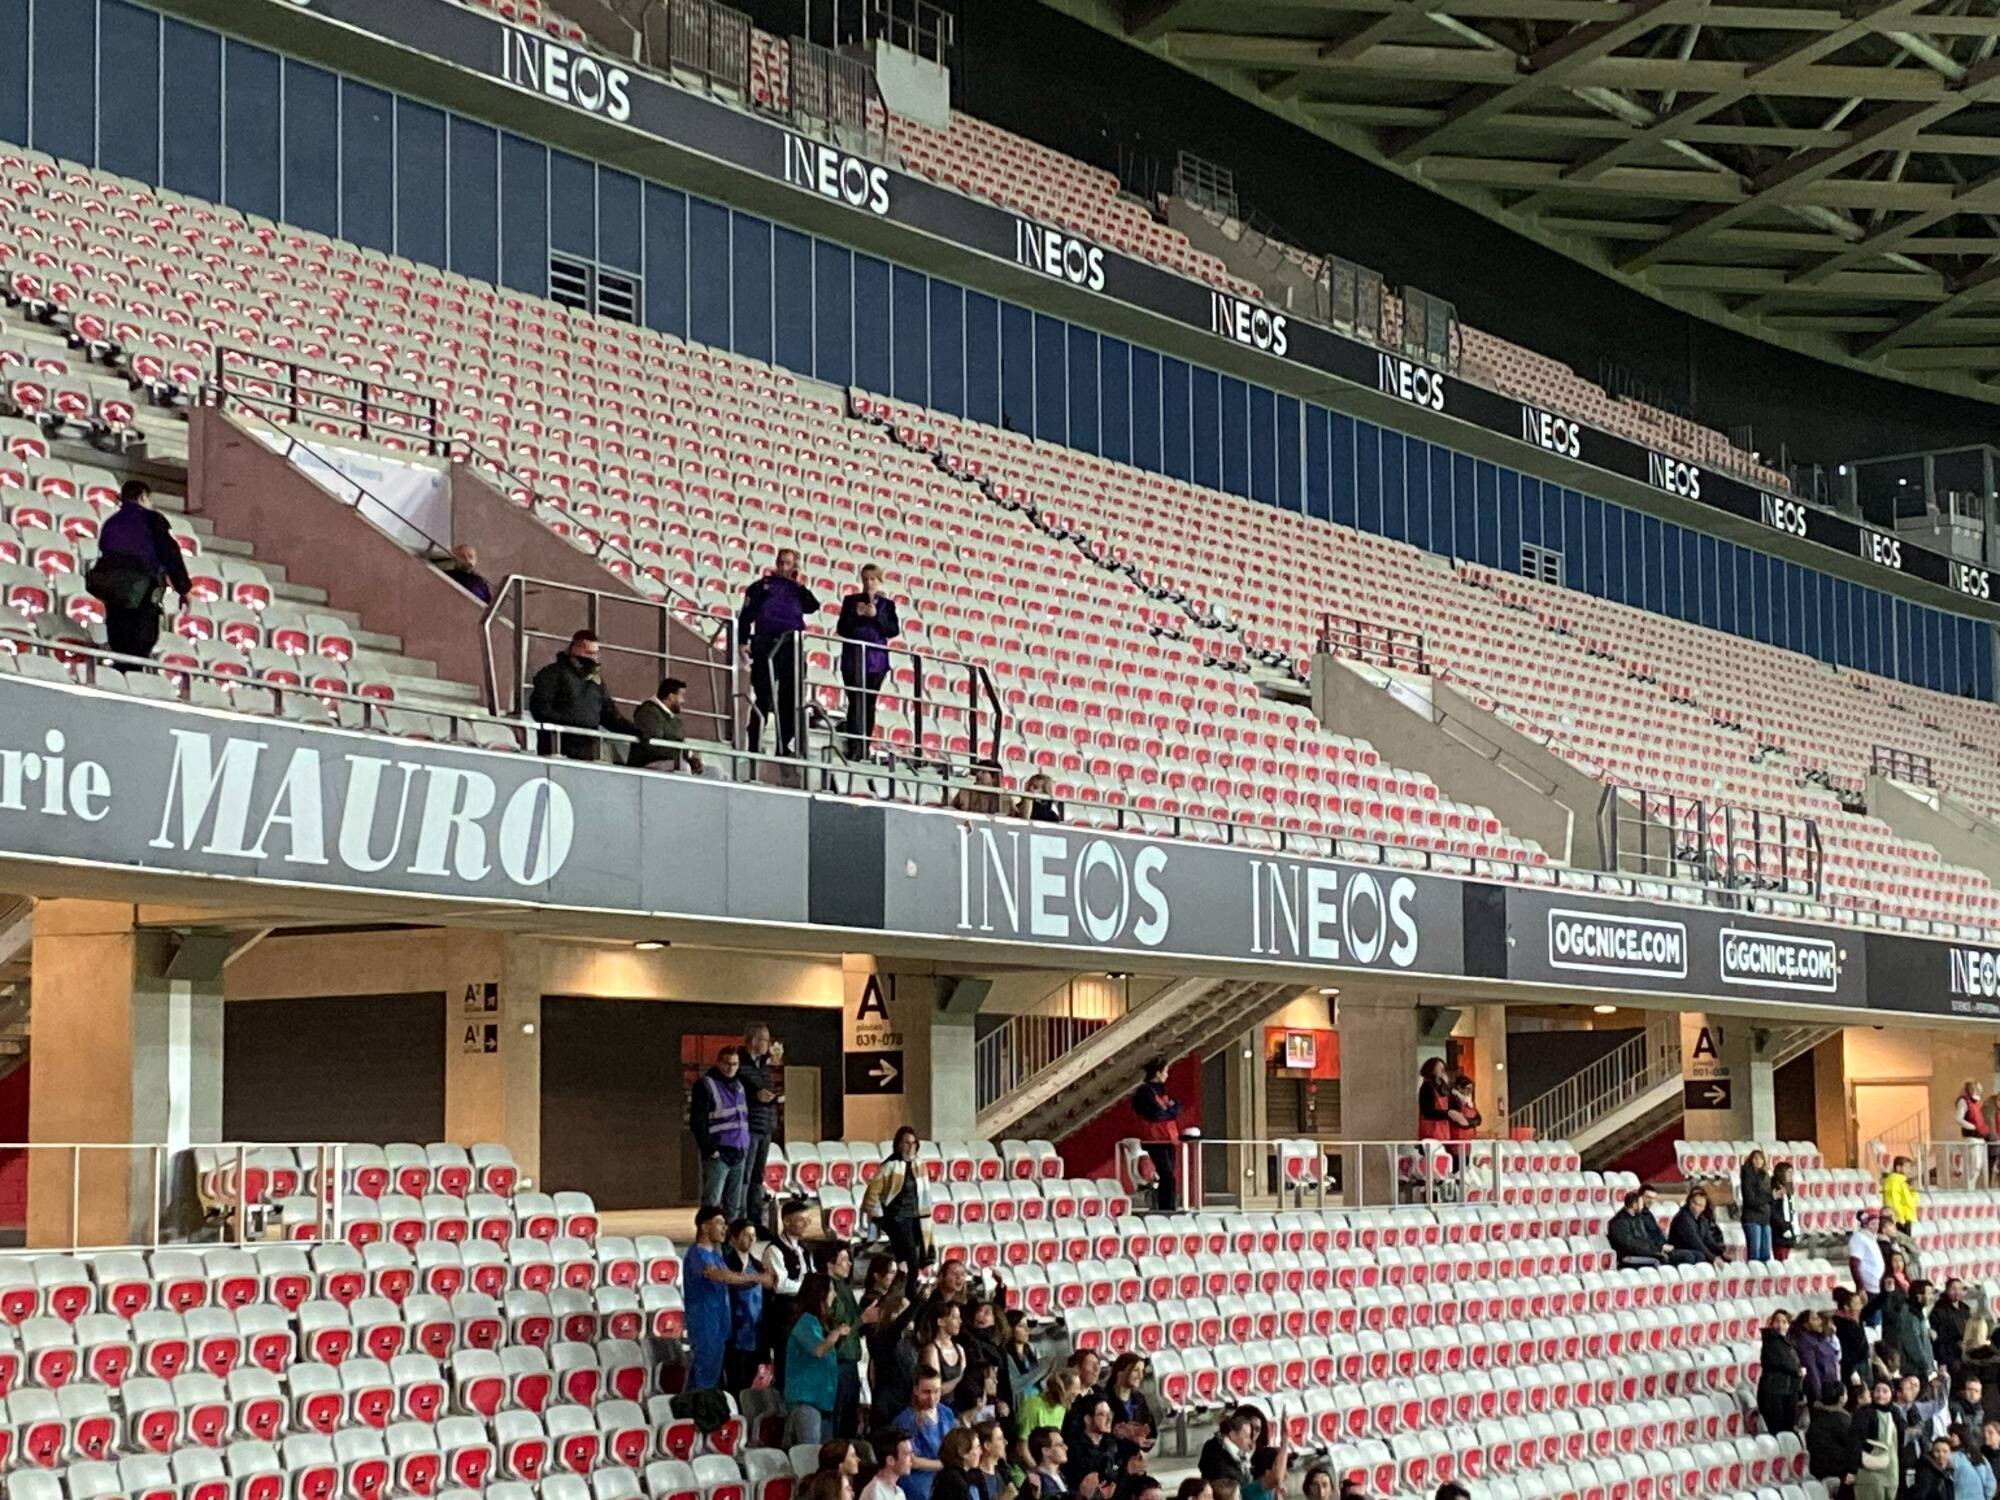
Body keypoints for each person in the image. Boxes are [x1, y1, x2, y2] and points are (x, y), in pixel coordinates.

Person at [88, 479, 191, 664]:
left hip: (115, 594)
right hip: (142, 592)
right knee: (140, 644)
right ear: (143, 497)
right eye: (149, 499)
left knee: (120, 644)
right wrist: (183, 588)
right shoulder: (152, 520)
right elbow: (170, 554)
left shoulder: (111, 523)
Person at [737, 547, 820, 758]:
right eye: (781, 562)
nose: (784, 566)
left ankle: (784, 745)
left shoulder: (797, 589)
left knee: (789, 697)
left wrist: (800, 584)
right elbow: (746, 615)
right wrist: (742, 640)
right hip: (765, 643)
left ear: (794, 566)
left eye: (788, 563)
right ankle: (754, 742)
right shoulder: (761, 586)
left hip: (791, 645)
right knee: (763, 695)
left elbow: (813, 606)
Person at [682, 1204, 773, 1390]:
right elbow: (718, 1275)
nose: (725, 1228)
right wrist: (756, 1277)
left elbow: (733, 1279)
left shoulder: (715, 1255)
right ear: (705, 1226)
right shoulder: (697, 1254)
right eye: (720, 1223)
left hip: (720, 1326)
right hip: (706, 1326)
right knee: (705, 1381)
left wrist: (759, 1280)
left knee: (711, 1377)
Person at [529, 630, 636, 760]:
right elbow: (539, 709)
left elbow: (609, 715)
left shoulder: (596, 681)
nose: (592, 658)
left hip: (587, 752)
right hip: (557, 750)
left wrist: (635, 731)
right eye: (589, 653)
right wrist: (576, 722)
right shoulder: (553, 673)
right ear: (575, 649)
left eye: (595, 654)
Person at [836, 563, 901, 759]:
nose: (869, 583)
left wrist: (876, 616)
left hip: (876, 661)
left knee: (869, 703)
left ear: (879, 581)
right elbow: (843, 629)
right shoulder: (851, 601)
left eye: (873, 579)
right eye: (866, 579)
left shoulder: (887, 605)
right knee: (855, 701)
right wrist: (857, 615)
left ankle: (864, 744)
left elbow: (892, 630)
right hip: (853, 658)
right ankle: (854, 746)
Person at [690, 1047, 752, 1221]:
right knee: (712, 1204)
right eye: (727, 1063)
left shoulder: (739, 1086)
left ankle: (728, 1247)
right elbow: (697, 1122)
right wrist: (710, 1150)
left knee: (734, 1206)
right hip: (719, 1153)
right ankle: (709, 1246)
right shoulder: (706, 1085)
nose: (731, 1068)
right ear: (718, 1062)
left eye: (735, 1064)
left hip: (739, 1152)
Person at [783, 1273, 846, 1443]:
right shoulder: (806, 1321)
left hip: (822, 1401)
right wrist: (836, 1334)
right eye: (831, 1290)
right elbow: (818, 1350)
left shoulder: (819, 1323)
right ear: (821, 1294)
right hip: (806, 1402)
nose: (834, 1295)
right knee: (809, 1456)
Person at [863, 1126, 931, 1276]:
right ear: (899, 1144)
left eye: (913, 1143)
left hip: (916, 1218)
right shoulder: (889, 1165)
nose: (910, 1146)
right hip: (898, 1219)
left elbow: (924, 1195)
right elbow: (871, 1195)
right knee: (909, 1262)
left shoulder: (920, 1164)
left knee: (916, 1260)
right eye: (906, 1143)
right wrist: (880, 1217)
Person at [738, 1022, 784, 1227]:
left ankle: (756, 1221)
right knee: (745, 1177)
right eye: (765, 1040)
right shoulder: (739, 1065)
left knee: (758, 1177)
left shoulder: (765, 1068)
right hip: (748, 1128)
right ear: (754, 1040)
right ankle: (742, 1220)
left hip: (765, 1127)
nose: (768, 1044)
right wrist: (757, 1096)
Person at [1131, 1060, 1184, 1214]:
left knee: (1169, 1175)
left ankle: (1169, 1207)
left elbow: (1176, 1108)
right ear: (1158, 1073)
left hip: (1167, 1139)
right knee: (1166, 1175)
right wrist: (1171, 1111)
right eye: (1165, 1071)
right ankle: (1166, 1209)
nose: (1167, 1075)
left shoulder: (1163, 1092)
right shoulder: (1144, 1092)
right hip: (1154, 1139)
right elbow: (1156, 1115)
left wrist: (1170, 1111)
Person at [762, 1197, 812, 1357]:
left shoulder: (804, 1249)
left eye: (807, 1219)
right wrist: (808, 1287)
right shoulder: (774, 1250)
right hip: (784, 1319)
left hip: (803, 1315)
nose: (806, 1224)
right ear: (787, 1222)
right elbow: (781, 1285)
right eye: (801, 1220)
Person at [899, 1367, 958, 1500]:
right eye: (926, 1392)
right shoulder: (906, 1420)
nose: (932, 1397)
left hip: (947, 1476)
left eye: (936, 1391)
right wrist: (948, 1465)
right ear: (916, 1390)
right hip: (919, 1482)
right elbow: (912, 1461)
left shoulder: (946, 1413)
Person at [724, 1217, 766, 1389]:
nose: (751, 1239)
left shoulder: (757, 1265)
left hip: (755, 1329)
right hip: (735, 1329)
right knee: (736, 1379)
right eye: (745, 1235)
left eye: (753, 1235)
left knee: (751, 1377)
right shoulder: (726, 1264)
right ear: (733, 1239)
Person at [630, 677, 704, 774]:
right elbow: (653, 745)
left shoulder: (673, 719)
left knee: (715, 772)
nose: (683, 701)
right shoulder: (648, 713)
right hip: (647, 764)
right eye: (681, 696)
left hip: (671, 761)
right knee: (683, 767)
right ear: (671, 696)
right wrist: (686, 755)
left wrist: (691, 757)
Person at [1852, 1380, 1903, 1500]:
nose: (1880, 1395)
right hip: (1869, 1469)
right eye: (1877, 1391)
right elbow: (1855, 1441)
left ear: (1892, 1393)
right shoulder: (1863, 1413)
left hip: (1891, 1471)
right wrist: (1851, 1469)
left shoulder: (1895, 1414)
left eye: (1885, 1391)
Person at [1061, 1398, 1120, 1497]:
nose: (1109, 1419)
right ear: (1088, 1419)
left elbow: (1118, 1466)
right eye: (1102, 1414)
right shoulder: (1075, 1448)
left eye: (1110, 1414)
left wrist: (1114, 1468)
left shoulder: (1111, 1444)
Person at [1759, 1310, 1805, 1436]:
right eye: (1777, 1321)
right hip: (1773, 1392)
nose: (1780, 1325)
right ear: (1771, 1323)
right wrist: (1798, 1371)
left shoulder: (1790, 1342)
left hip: (1789, 1391)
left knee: (1788, 1429)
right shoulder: (1770, 1340)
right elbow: (1783, 1362)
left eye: (1784, 1322)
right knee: (1777, 1429)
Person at [1103, 1355, 1155, 1464]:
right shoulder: (1104, 1400)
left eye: (1142, 1371)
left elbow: (1150, 1428)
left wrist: (1143, 1438)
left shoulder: (1139, 1399)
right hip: (1113, 1464)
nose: (1141, 1376)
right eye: (1136, 1370)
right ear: (1120, 1372)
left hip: (1134, 1461)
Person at [1807, 1388, 1862, 1486]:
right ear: (1842, 1398)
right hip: (1831, 1467)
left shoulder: (1816, 1414)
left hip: (1815, 1465)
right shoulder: (1841, 1419)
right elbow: (1852, 1444)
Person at [1886, 1281, 1939, 1381]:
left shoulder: (1918, 1313)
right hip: (1914, 1372)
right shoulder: (1908, 1316)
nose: (1932, 1297)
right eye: (1930, 1293)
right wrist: (1926, 1365)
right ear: (1919, 1296)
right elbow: (1913, 1345)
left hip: (1922, 1369)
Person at [916, 1300, 968, 1402]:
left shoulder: (960, 1349)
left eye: (959, 1317)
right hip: (937, 1406)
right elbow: (936, 1389)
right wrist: (960, 1378)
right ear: (940, 1322)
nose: (960, 1321)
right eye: (954, 1317)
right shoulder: (931, 1350)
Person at [1607, 1188, 1666, 1268]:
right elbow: (1629, 1245)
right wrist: (1654, 1251)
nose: (1643, 1206)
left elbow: (1645, 1238)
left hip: (1643, 1253)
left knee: (1668, 1258)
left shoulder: (1638, 1218)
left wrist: (1658, 1248)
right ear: (1635, 1204)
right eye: (1641, 1203)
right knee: (1658, 1261)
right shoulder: (1619, 1222)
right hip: (1627, 1256)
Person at [1199, 1410, 1257, 1489]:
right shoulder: (1215, 1452)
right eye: (1246, 1437)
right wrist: (1246, 1461)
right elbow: (1243, 1485)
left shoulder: (1236, 1451)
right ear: (1232, 1435)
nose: (1250, 1441)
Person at [1796, 1308, 1842, 1406]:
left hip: (1831, 1387)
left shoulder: (1820, 1337)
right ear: (1806, 1324)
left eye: (1818, 1318)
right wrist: (1818, 1396)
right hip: (1821, 1391)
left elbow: (1834, 1354)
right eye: (1815, 1319)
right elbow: (1811, 1369)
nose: (1820, 1322)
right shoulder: (1805, 1342)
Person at [1668, 1186, 1725, 1265]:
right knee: (1700, 1256)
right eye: (1694, 1203)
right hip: (1680, 1250)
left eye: (1700, 1205)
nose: (1696, 1208)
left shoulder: (1702, 1220)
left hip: (1694, 1250)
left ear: (1704, 1208)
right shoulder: (1683, 1218)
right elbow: (1695, 1242)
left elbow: (1708, 1241)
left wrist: (1722, 1252)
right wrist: (1713, 1257)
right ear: (1689, 1202)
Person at [1021, 1370, 1080, 1444]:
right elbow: (1022, 1445)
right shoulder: (1033, 1405)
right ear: (1062, 1390)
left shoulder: (1062, 1408)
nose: (1073, 1400)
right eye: (1072, 1395)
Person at [1853, 1210, 1890, 1319]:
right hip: (1867, 1289)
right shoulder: (1859, 1238)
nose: (1876, 1227)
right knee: (1869, 1319)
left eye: (1877, 1224)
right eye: (1873, 1224)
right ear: (1865, 1224)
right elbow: (1854, 1264)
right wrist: (1860, 1287)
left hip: (1876, 1287)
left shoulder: (1872, 1239)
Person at [1740, 1149, 1774, 1263]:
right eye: (1755, 1158)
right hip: (1752, 1218)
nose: (1758, 1161)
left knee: (1766, 1255)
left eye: (1760, 1158)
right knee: (1755, 1254)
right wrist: (1770, 1197)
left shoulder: (1766, 1176)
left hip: (1765, 1218)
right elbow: (1750, 1200)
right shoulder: (1747, 1175)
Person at [1835, 1288, 1873, 1389]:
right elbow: (1845, 1350)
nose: (1860, 1306)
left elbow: (1873, 1307)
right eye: (1856, 1303)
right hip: (1853, 1367)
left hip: (1863, 1362)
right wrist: (1852, 1370)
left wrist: (1886, 1293)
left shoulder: (1857, 1318)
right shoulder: (1842, 1325)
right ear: (1847, 1307)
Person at [1936, 1279, 1975, 1373]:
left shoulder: (1965, 1308)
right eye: (1953, 1289)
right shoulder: (1939, 1309)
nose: (1957, 1292)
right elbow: (1939, 1339)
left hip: (1966, 1354)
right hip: (1950, 1356)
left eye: (1960, 1289)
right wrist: (1942, 1361)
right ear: (1946, 1290)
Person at [864, 1431, 916, 1500]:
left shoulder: (900, 1492)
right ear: (890, 1460)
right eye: (907, 1454)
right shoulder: (876, 1492)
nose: (912, 1458)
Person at [1022, 1429, 1069, 1500]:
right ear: (1046, 1451)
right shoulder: (1036, 1481)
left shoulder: (1061, 1476)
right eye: (1060, 1445)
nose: (1066, 1448)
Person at [1416, 1058, 1453, 1142]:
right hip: (1431, 1131)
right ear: (1431, 1070)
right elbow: (1427, 1112)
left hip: (1443, 1131)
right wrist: (1448, 1113)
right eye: (1439, 1067)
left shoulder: (1443, 1087)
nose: (1442, 1070)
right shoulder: (1427, 1087)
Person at [1886, 1157, 1921, 1235]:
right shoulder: (1894, 1181)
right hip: (1900, 1220)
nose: (1909, 1169)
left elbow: (1914, 1200)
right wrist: (1900, 1219)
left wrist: (1913, 1190)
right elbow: (1894, 1202)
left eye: (1910, 1167)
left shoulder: (1903, 1181)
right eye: (1907, 1167)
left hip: (1906, 1218)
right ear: (1898, 1168)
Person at [1772, 1161, 1798, 1262]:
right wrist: (1784, 1227)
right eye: (1789, 1173)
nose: (1791, 1176)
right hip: (1779, 1232)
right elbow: (1774, 1212)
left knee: (1786, 1259)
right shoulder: (1775, 1189)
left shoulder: (1789, 1190)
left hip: (1788, 1231)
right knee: (1780, 1259)